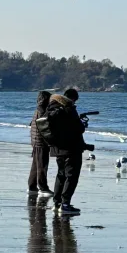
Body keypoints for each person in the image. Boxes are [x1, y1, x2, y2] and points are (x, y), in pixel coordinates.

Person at [44, 87, 93, 216]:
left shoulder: (51, 107)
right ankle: (65, 204)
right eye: (75, 100)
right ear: (72, 98)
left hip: (57, 148)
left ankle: (57, 203)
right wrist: (82, 124)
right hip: (71, 148)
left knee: (61, 175)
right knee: (72, 176)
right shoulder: (68, 108)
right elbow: (78, 128)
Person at [28, 90, 53, 198]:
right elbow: (45, 124)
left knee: (35, 165)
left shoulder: (38, 109)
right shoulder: (43, 109)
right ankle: (43, 187)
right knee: (42, 165)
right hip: (40, 141)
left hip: (35, 140)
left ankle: (32, 187)